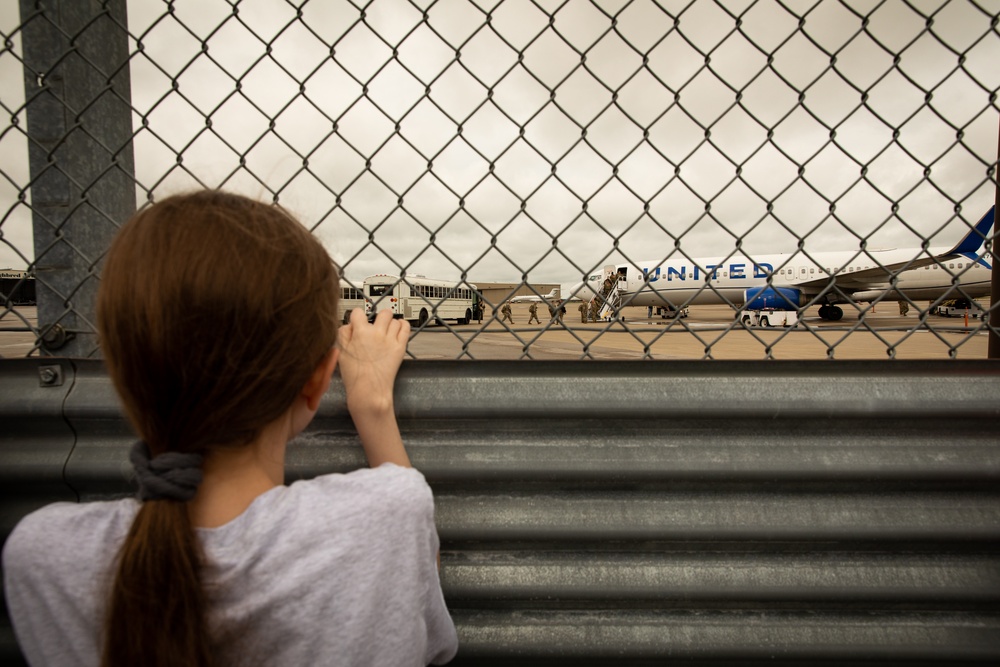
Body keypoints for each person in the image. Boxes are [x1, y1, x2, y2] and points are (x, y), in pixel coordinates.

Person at [2, 191, 458, 667]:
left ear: (122, 374)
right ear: (318, 379)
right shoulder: (385, 516)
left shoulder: (43, 557)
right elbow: (422, 607)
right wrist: (373, 405)